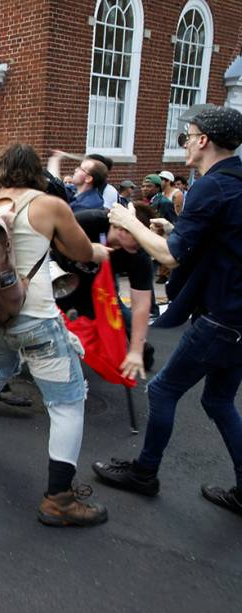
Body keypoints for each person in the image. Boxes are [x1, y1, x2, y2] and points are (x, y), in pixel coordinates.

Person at [0, 143, 111, 526]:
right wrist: (102, 253)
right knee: (68, 404)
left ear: (0, 170)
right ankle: (60, 500)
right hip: (36, 320)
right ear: (36, 170)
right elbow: (82, 251)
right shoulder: (49, 205)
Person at [93, 105, 242, 517]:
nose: (186, 142)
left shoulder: (210, 186)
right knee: (218, 401)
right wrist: (175, 229)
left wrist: (131, 221)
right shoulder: (235, 182)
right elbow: (225, 240)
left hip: (221, 317)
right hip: (237, 317)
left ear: (203, 140)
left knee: (161, 391)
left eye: (188, 135)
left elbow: (171, 259)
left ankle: (145, 473)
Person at [55, 205, 156, 378]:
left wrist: (136, 350)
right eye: (137, 238)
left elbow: (141, 304)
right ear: (120, 227)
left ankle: (138, 350)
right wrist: (86, 250)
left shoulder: (140, 256)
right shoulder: (89, 221)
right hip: (58, 277)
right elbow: (51, 236)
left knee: (111, 319)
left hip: (97, 288)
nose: (141, 245)